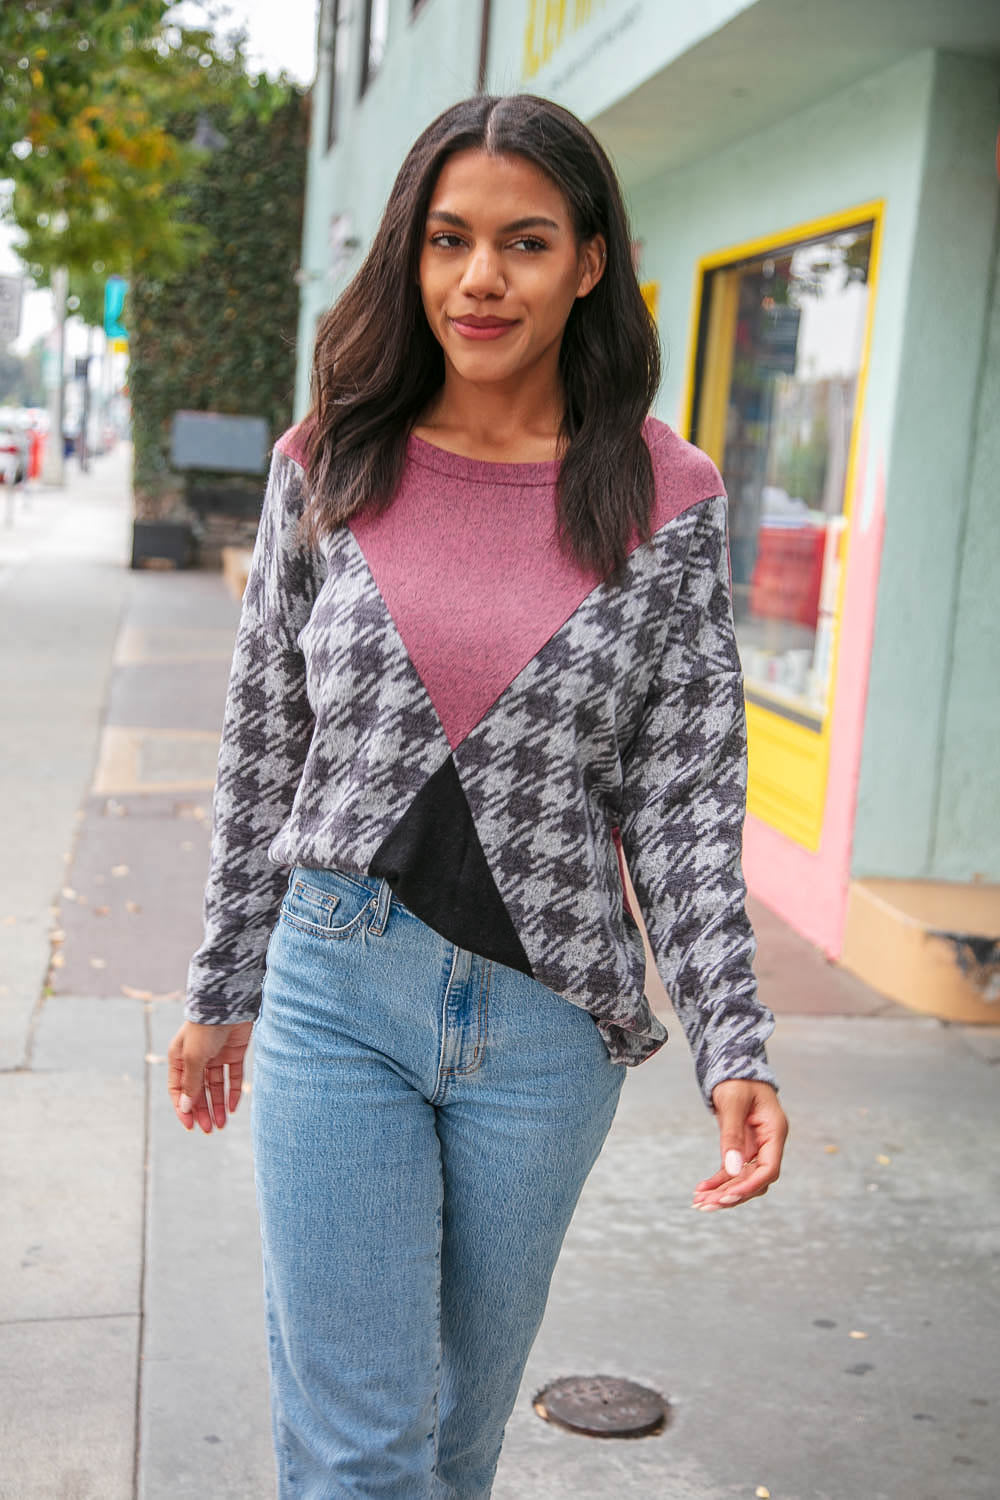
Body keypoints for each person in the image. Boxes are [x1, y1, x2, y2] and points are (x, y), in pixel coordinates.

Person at [168, 93, 788, 1499]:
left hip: (548, 1029)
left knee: (451, 1447)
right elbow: (264, 738)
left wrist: (733, 1040)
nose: (479, 278)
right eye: (449, 241)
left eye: (522, 242)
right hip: (337, 987)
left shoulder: (664, 494)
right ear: (412, 253)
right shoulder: (331, 458)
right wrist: (223, 988)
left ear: (589, 263)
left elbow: (688, 790)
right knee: (359, 1459)